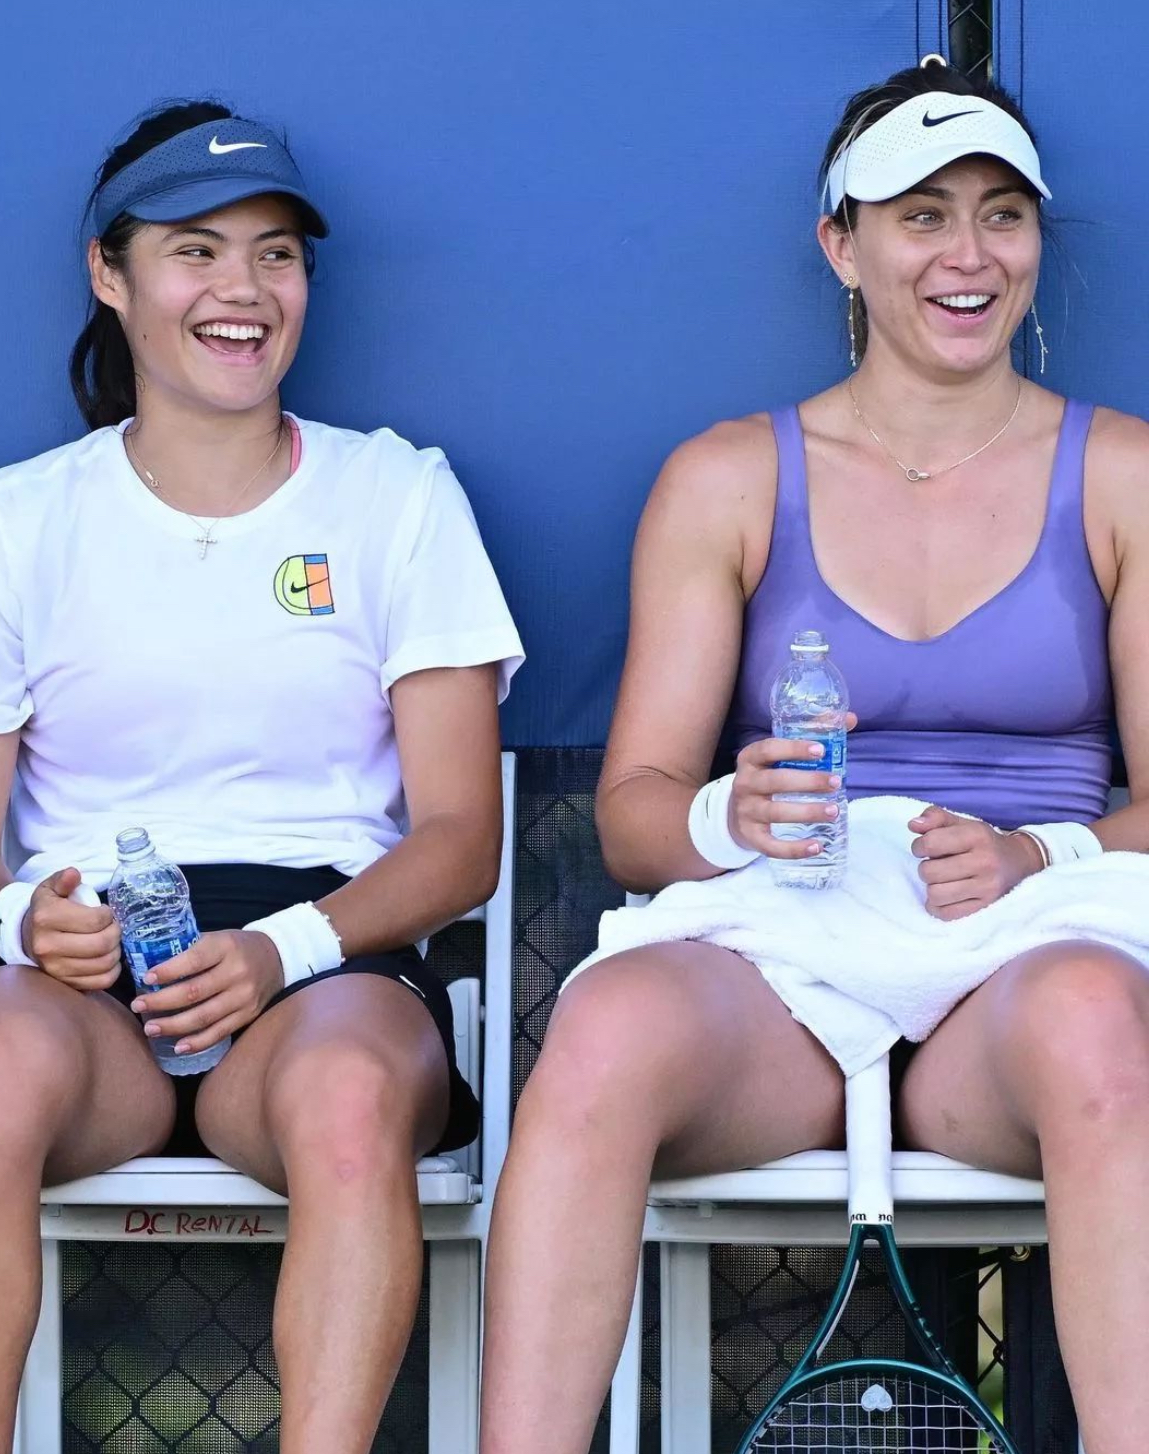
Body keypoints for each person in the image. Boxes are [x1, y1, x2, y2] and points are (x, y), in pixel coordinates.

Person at [480, 57, 1149, 1454]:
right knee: (602, 1028)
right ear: (843, 244)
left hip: (1026, 958)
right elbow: (633, 815)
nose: (969, 256)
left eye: (1002, 215)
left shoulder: (1123, 474)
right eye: (922, 216)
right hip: (786, 957)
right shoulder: (725, 476)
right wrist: (731, 815)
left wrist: (1038, 851)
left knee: (1099, 1019)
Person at [0, 100, 522, 1454]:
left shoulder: (395, 497)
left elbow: (462, 836)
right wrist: (18, 918)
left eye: (275, 254)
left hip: (324, 960)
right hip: (82, 983)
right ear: (110, 275)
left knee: (351, 1101)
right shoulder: (10, 520)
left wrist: (283, 948)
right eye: (196, 250)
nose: (244, 289)